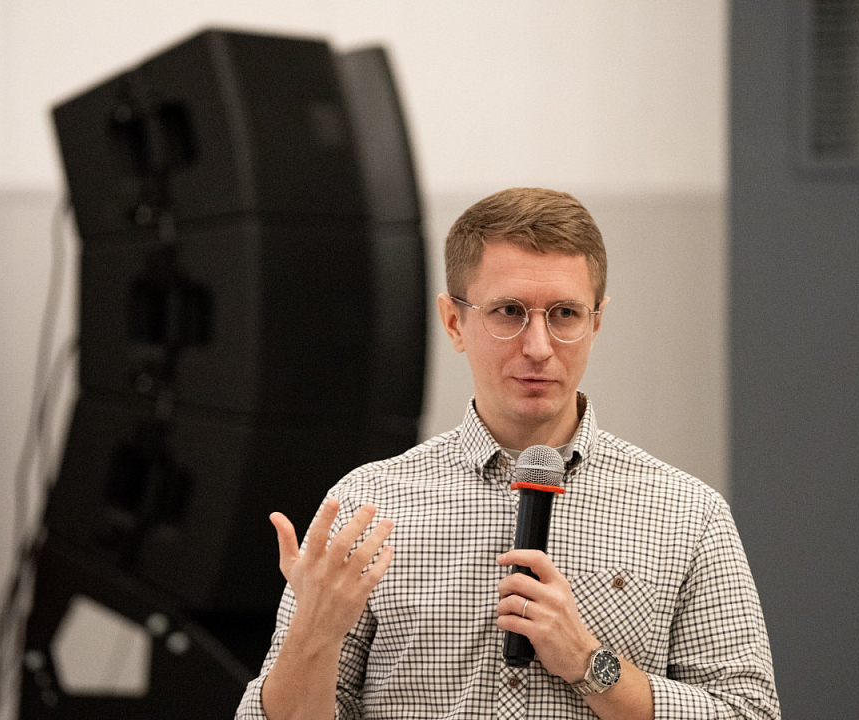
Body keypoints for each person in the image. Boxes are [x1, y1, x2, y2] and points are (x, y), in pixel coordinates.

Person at [235, 188, 779, 719]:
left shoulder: (687, 513)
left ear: (596, 322)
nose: (538, 347)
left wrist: (590, 663)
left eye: (564, 314)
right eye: (509, 311)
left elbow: (749, 713)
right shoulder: (369, 505)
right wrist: (314, 634)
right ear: (454, 322)